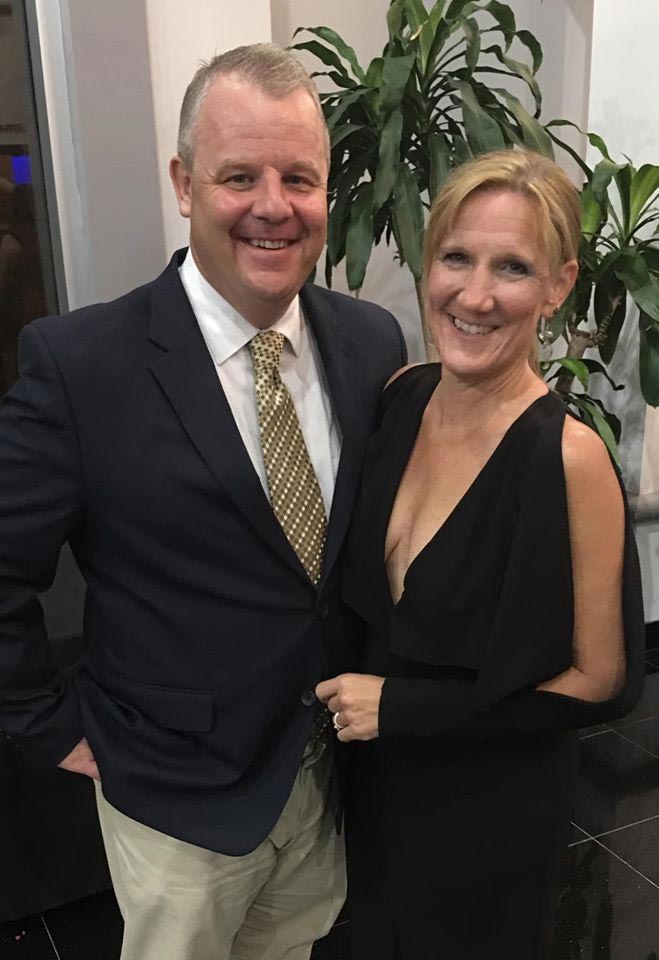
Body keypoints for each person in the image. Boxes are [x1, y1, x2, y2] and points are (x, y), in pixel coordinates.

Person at [0, 44, 406, 960]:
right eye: (238, 176)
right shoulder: (81, 366)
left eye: (298, 178)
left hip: (323, 777)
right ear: (184, 184)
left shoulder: (371, 342)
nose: (273, 205)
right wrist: (45, 725)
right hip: (173, 797)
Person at [316, 149, 645, 959]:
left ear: (558, 286)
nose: (474, 295)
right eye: (456, 257)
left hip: (490, 809)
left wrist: (405, 709)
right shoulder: (400, 397)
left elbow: (603, 681)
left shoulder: (566, 457)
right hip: (378, 788)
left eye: (513, 267)